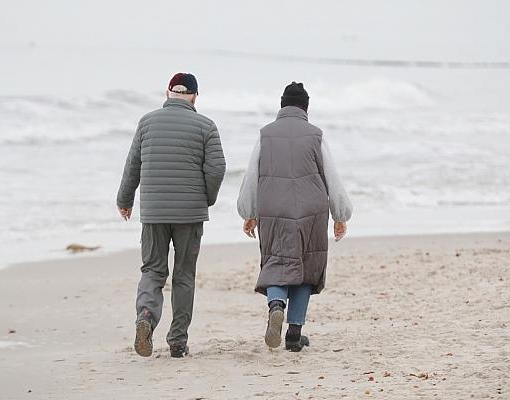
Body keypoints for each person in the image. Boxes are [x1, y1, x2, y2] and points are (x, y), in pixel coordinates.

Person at [117, 73, 226, 358]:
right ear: (194, 96)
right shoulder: (206, 126)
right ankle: (177, 341)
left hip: (153, 212)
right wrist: (207, 199)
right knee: (184, 275)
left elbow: (133, 166)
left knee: (152, 271)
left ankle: (146, 316)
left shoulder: (147, 122)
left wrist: (124, 200)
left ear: (168, 93)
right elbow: (217, 168)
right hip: (190, 213)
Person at [237, 82, 352, 352]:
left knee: (277, 260)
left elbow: (252, 174)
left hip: (273, 208)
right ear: (306, 107)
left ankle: (276, 305)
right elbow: (331, 176)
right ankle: (294, 333)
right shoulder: (316, 135)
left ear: (282, 105)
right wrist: (340, 214)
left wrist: (249, 211)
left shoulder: (265, 134)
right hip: (310, 211)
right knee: (306, 267)